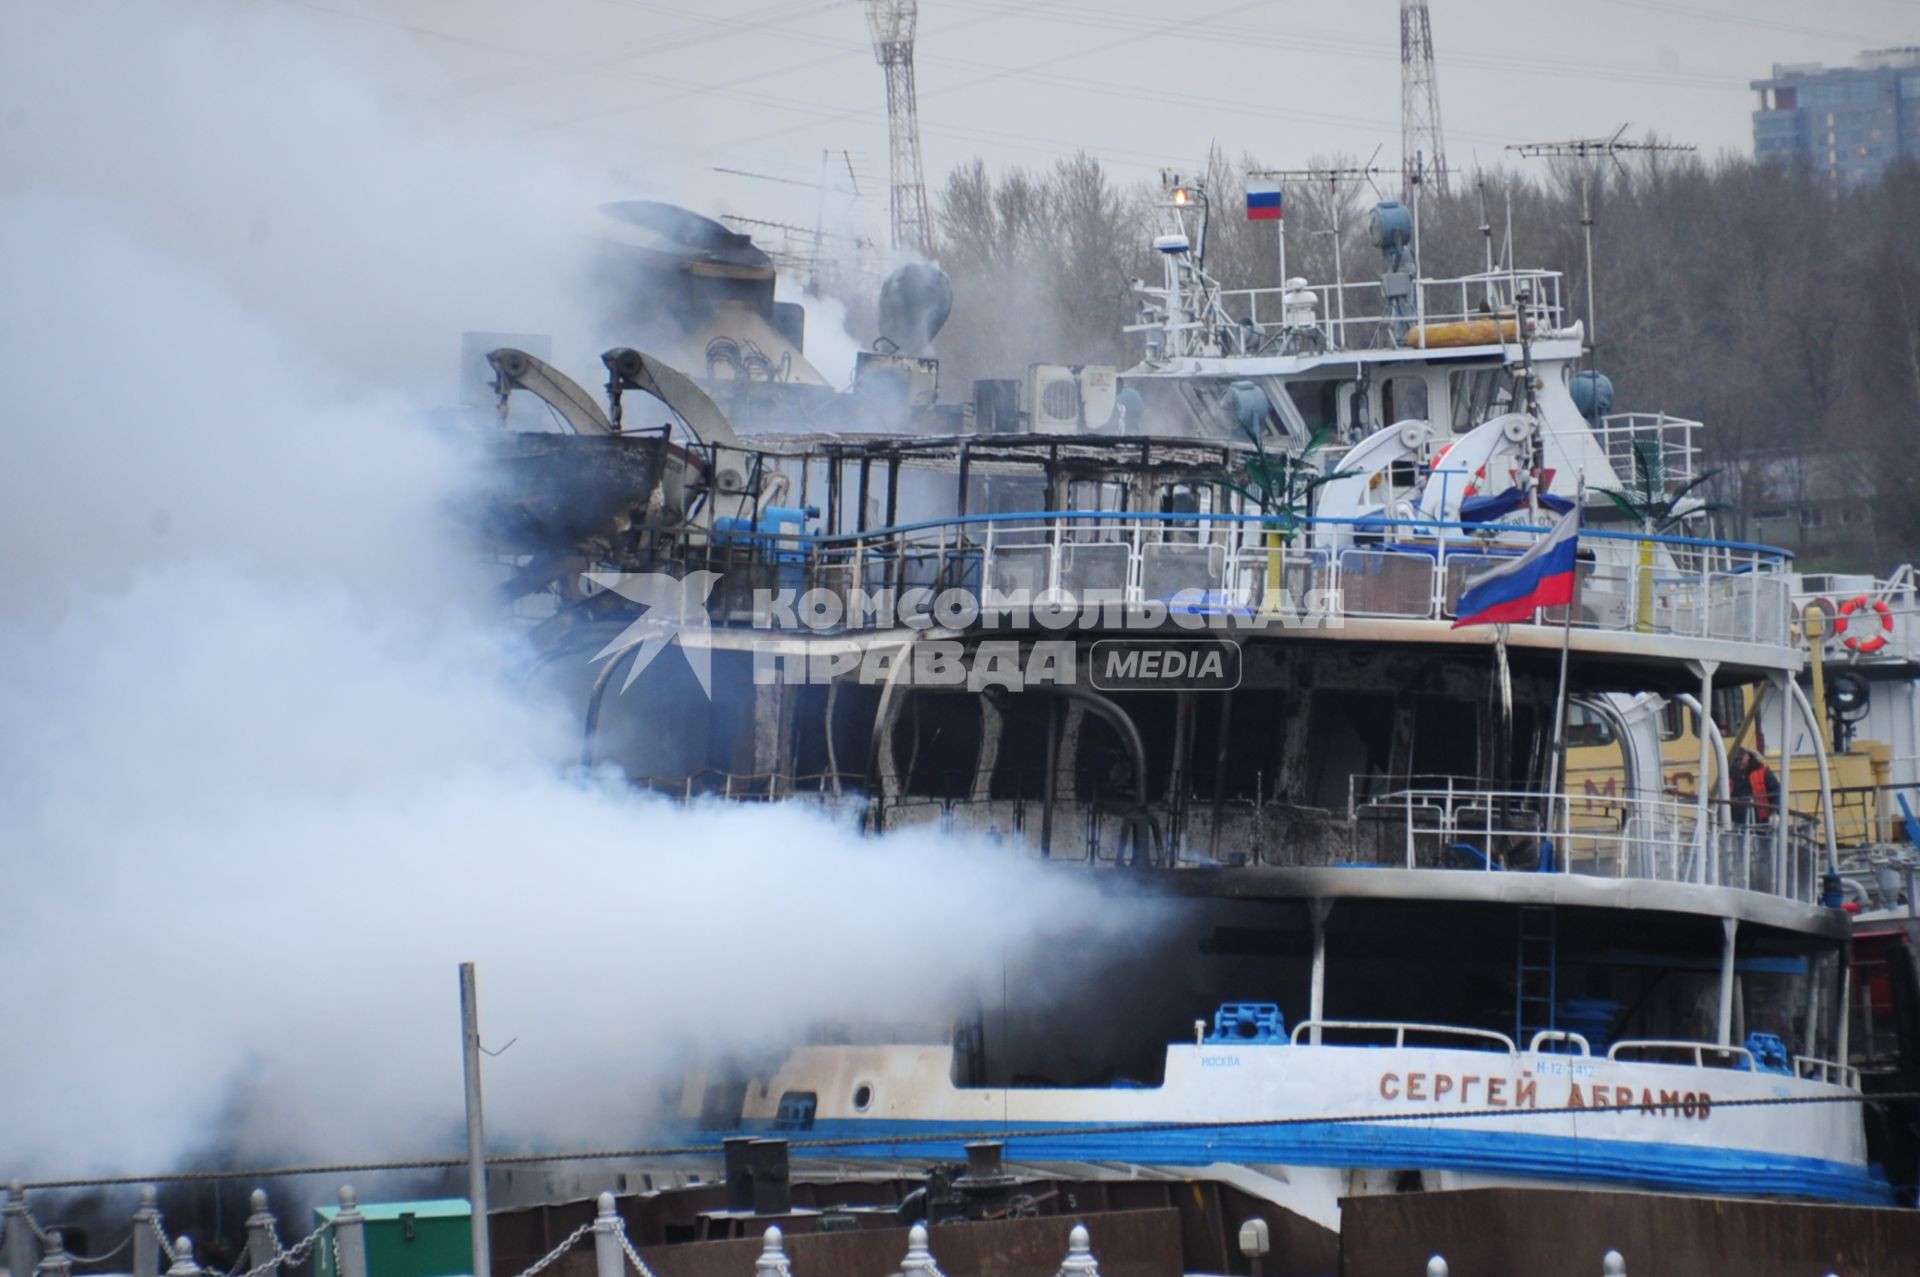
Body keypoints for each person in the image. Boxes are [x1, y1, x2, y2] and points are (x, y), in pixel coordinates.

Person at [1728, 747, 1779, 825]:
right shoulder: (1730, 774)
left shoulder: (1762, 770)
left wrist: (1776, 813)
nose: (1738, 762)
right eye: (1736, 760)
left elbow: (1776, 791)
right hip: (1737, 819)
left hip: (1760, 817)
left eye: (1740, 759)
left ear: (1747, 756)